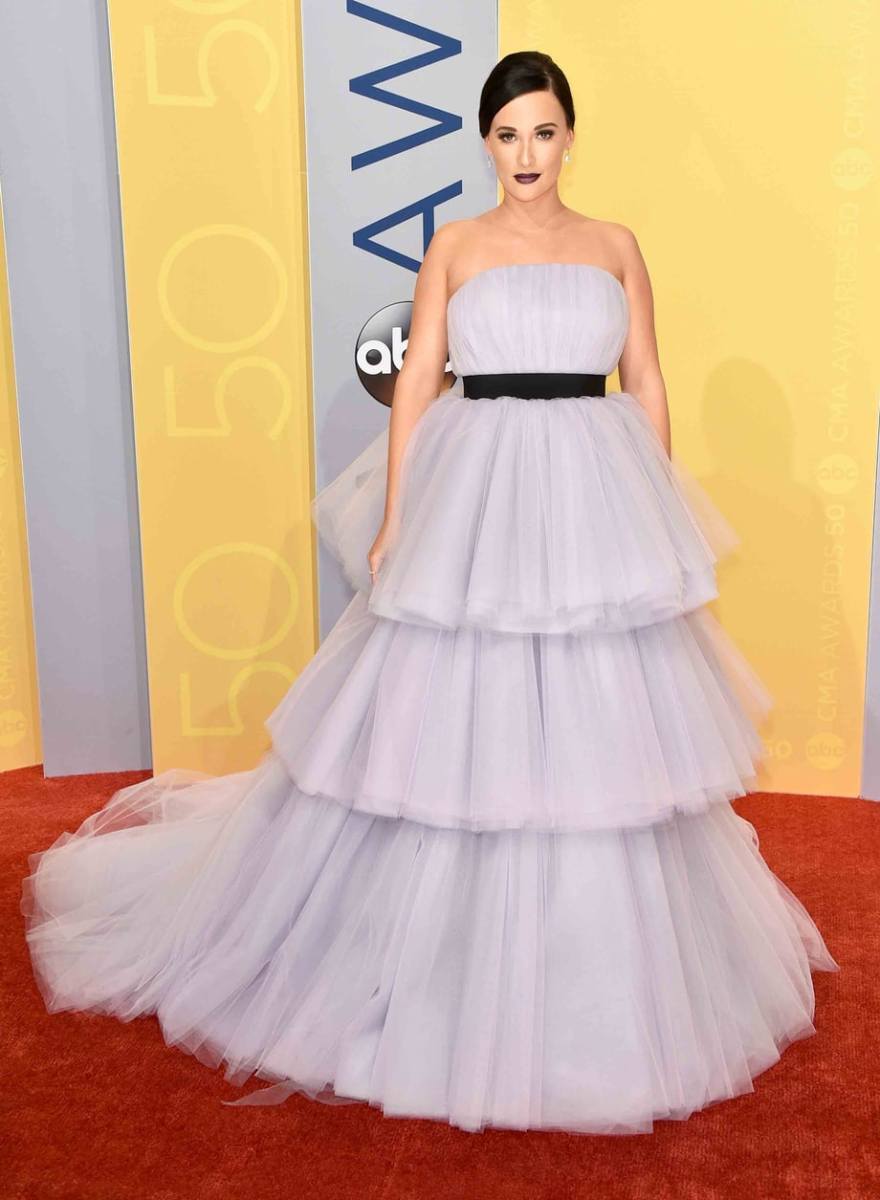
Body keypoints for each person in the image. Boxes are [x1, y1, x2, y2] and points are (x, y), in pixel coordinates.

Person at [21, 50, 839, 1136]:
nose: (526, 154)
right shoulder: (454, 245)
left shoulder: (615, 245)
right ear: (485, 142)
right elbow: (416, 382)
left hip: (591, 491)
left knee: (601, 733)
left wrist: (656, 515)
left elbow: (644, 379)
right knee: (453, 723)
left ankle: (594, 987)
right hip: (477, 491)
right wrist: (399, 517)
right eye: (506, 135)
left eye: (542, 132)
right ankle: (429, 973)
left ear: (570, 135)